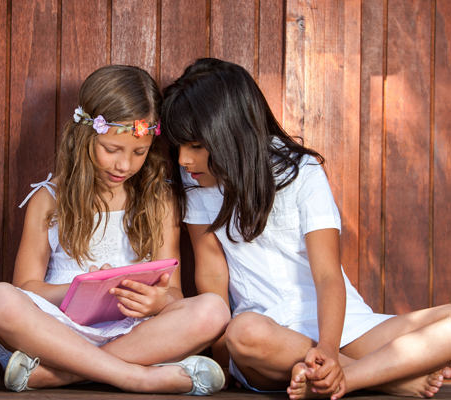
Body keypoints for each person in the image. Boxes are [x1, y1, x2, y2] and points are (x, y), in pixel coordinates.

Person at [161, 58, 451, 399]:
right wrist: (225, 363)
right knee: (244, 331)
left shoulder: (301, 171)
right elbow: (211, 276)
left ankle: (351, 377)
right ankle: (385, 377)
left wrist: (328, 350)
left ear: (231, 133)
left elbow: (328, 275)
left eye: (195, 146)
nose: (183, 159)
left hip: (339, 329)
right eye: (179, 146)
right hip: (266, 339)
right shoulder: (195, 179)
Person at [0, 65, 229, 395]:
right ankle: (134, 378)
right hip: (56, 334)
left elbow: (175, 294)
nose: (124, 165)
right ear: (85, 136)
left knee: (213, 310)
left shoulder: (159, 199)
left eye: (139, 152)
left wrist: (156, 302)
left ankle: (63, 376)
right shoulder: (48, 199)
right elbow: (25, 288)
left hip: (133, 334)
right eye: (112, 149)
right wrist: (80, 288)